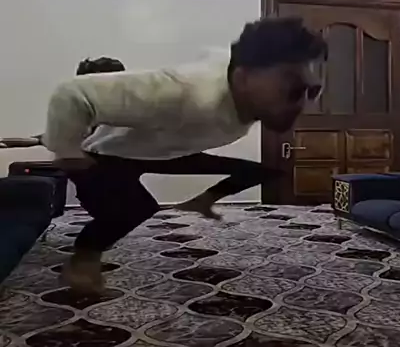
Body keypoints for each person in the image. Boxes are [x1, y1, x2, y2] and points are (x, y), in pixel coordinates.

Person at [43, 17, 328, 294]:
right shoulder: (180, 92)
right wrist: (66, 150)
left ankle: (203, 200)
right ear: (243, 78)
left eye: (313, 91)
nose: (303, 105)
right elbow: (72, 93)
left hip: (167, 151)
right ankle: (83, 262)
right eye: (293, 90)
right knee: (136, 209)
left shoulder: (243, 82)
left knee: (262, 171)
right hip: (107, 155)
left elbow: (217, 55)